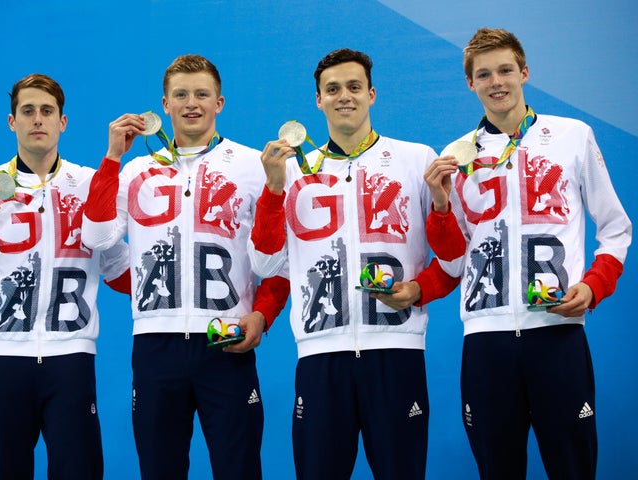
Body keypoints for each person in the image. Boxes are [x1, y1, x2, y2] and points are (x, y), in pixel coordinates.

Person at [423, 27, 632, 479]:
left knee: (573, 469)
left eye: (505, 70)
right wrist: (440, 205)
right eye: (484, 74)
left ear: (524, 73)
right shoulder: (456, 155)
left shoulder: (572, 136)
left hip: (556, 333)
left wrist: (593, 288)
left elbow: (616, 229)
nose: (496, 81)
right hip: (485, 341)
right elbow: (454, 260)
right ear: (470, 83)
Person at [248, 48, 460, 480]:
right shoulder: (288, 172)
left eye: (354, 87)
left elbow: (455, 259)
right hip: (321, 355)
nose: (344, 96)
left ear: (372, 94)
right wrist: (272, 190)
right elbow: (266, 263)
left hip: (396, 350)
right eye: (333, 89)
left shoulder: (416, 159)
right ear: (318, 101)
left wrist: (418, 287)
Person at [80, 54, 290, 480]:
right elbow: (98, 238)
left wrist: (263, 315)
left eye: (201, 94)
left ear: (220, 103)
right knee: (160, 470)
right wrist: (111, 158)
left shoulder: (253, 165)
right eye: (181, 95)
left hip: (226, 338)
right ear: (164, 104)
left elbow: (283, 262)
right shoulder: (136, 170)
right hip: (157, 342)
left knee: (239, 469)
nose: (191, 103)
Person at [0, 73, 131, 479]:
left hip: (71, 358)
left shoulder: (89, 184)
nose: (37, 119)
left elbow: (119, 270)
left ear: (63, 122)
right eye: (28, 111)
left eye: (47, 111)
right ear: (12, 122)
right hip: (3, 358)